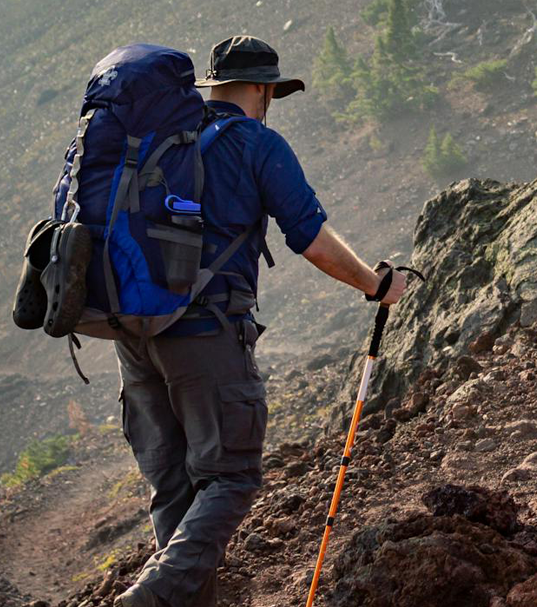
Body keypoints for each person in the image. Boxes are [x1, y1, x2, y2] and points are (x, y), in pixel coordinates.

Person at [116, 36, 406, 607]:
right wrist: (377, 285)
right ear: (264, 90)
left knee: (175, 490)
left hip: (133, 336)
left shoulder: (160, 143)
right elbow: (313, 241)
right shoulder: (255, 143)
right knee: (230, 478)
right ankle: (148, 599)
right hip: (204, 334)